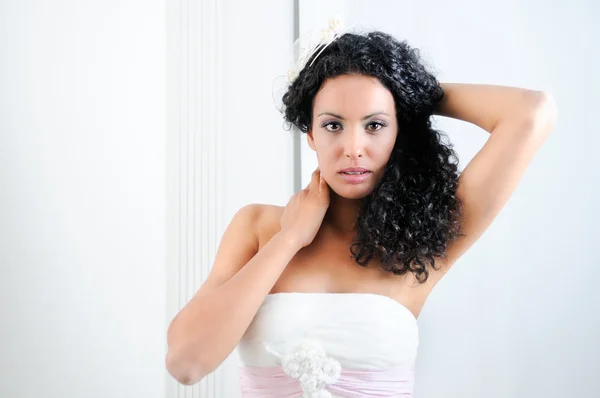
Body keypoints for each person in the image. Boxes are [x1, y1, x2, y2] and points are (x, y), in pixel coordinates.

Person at [165, 22, 557, 397]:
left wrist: (407, 87)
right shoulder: (256, 226)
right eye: (334, 125)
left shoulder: (423, 243)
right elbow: (186, 364)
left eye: (374, 125)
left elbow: (531, 112)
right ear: (311, 136)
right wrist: (288, 239)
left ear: (399, 130)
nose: (354, 147)